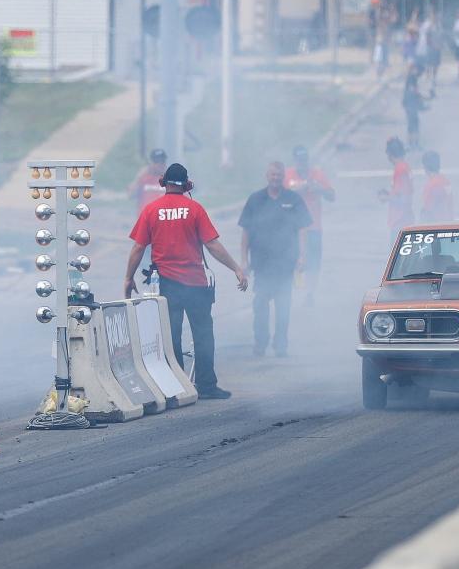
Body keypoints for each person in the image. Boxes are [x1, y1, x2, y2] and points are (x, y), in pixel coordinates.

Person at [123, 163, 247, 400]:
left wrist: (129, 278)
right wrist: (236, 268)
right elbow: (212, 245)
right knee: (203, 334)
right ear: (187, 185)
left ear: (163, 183)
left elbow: (138, 247)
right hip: (196, 284)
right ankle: (207, 385)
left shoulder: (151, 210)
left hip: (167, 284)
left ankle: (177, 387)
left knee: (171, 336)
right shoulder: (195, 209)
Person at [239, 162, 312, 358]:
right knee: (260, 305)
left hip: (285, 263)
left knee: (283, 307)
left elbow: (303, 229)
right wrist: (244, 261)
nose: (275, 178)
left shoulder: (293, 199)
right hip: (261, 264)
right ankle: (260, 343)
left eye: (279, 175)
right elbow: (245, 231)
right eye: (272, 174)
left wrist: (303, 256)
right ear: (267, 175)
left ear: (283, 177)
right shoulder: (256, 199)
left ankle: (281, 345)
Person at [285, 145, 335, 304]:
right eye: (299, 161)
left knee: (314, 262)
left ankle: (310, 293)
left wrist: (319, 189)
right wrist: (298, 189)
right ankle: (291, 290)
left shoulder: (317, 174)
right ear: (295, 161)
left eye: (305, 160)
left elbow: (332, 195)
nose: (303, 164)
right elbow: (280, 196)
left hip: (314, 227)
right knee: (292, 260)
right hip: (292, 228)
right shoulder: (288, 175)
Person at [379, 137, 413, 236]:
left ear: (390, 154)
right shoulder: (405, 167)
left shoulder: (400, 169)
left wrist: (385, 197)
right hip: (404, 219)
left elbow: (402, 199)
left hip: (399, 221)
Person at [127, 149, 168, 213]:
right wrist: (139, 177)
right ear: (151, 163)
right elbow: (130, 194)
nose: (160, 164)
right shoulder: (144, 178)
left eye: (162, 161)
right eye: (156, 161)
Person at [419, 151, 455, 222]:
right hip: (449, 223)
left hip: (435, 225)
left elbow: (428, 210)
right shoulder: (446, 181)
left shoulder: (431, 185)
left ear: (426, 166)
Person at [403, 64, 427, 150]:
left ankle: (412, 144)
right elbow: (412, 89)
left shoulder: (411, 77)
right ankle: (413, 144)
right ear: (414, 69)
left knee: (413, 123)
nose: (420, 73)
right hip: (410, 104)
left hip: (409, 103)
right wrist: (421, 97)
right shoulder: (411, 78)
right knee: (413, 124)